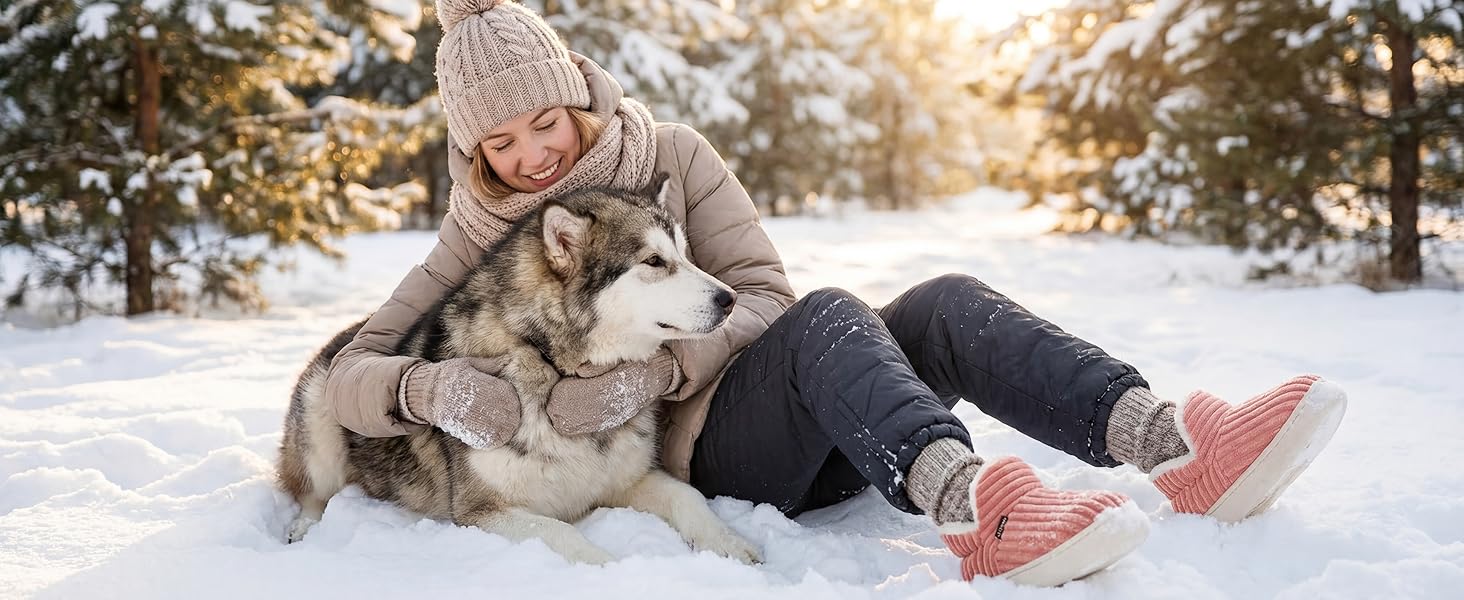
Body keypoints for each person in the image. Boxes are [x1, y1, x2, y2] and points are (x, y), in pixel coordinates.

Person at [323, 0, 1348, 587]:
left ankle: (1172, 444)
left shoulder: (674, 156)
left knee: (940, 302)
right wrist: (425, 390)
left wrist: (659, 374)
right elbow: (350, 375)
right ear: (475, 152)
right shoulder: (481, 233)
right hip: (705, 456)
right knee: (833, 322)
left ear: (576, 95)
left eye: (543, 123)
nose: (532, 157)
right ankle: (973, 509)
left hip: (759, 397)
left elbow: (762, 294)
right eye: (500, 144)